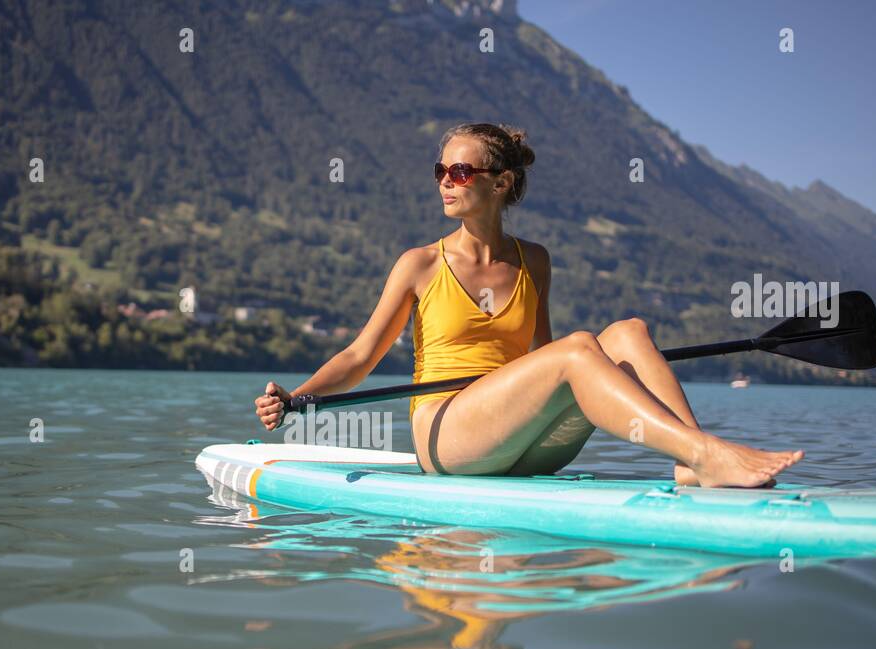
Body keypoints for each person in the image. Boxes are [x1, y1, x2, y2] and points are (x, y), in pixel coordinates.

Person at [254, 122, 803, 488]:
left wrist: (602, 365)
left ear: (501, 182)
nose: (446, 181)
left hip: (524, 440)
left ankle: (690, 459)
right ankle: (708, 454)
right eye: (440, 171)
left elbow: (544, 356)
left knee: (628, 332)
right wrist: (298, 397)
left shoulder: (534, 260)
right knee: (580, 349)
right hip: (448, 436)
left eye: (461, 172)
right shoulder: (419, 265)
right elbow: (359, 357)